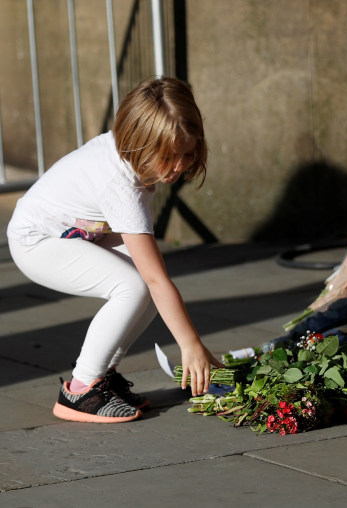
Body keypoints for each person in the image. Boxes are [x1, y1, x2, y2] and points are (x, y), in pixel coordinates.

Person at [6, 77, 223, 423]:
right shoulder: (120, 183)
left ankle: (102, 374)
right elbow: (155, 279)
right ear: (139, 144)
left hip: (75, 234)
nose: (180, 166)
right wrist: (190, 343)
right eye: (170, 157)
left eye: (188, 153)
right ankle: (81, 389)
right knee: (136, 285)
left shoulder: (134, 156)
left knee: (146, 284)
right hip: (37, 242)